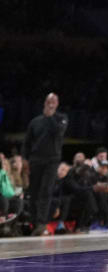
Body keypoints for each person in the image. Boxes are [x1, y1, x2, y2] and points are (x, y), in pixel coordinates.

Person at [23, 93, 67, 233]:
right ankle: (33, 222)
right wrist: (24, 159)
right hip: (35, 160)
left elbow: (58, 132)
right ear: (44, 102)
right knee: (33, 192)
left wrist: (50, 116)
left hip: (52, 161)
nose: (51, 103)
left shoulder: (61, 119)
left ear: (57, 103)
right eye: (49, 100)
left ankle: (41, 223)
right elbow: (27, 142)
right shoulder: (35, 121)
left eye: (53, 101)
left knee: (45, 191)